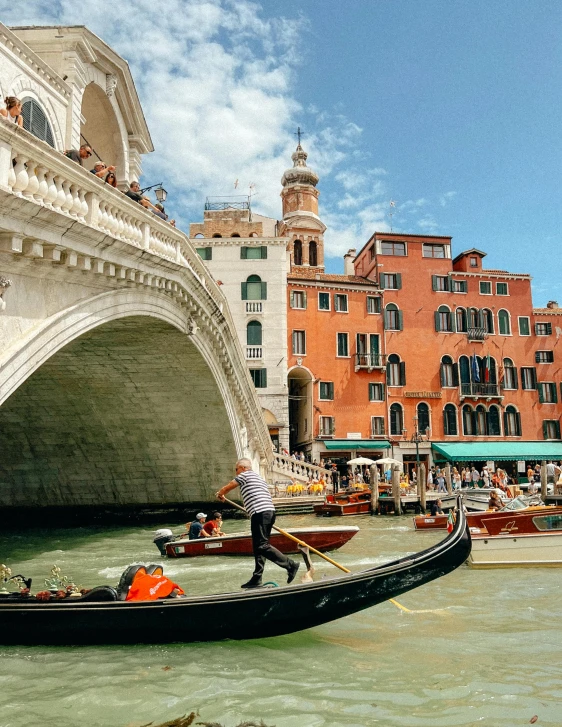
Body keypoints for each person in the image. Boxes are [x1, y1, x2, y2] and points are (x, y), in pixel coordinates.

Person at [216, 458, 299, 589]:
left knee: (262, 546)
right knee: (258, 547)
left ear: (243, 468)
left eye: (236, 469)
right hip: (269, 512)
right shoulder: (259, 478)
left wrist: (220, 493)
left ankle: (290, 565)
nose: (236, 472)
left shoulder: (244, 475)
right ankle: (257, 578)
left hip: (260, 512)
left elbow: (229, 486)